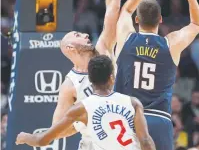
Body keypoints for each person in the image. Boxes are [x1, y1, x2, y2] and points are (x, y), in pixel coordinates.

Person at [114, 0, 199, 150]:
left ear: (137, 19)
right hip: (159, 120)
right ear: (161, 19)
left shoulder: (125, 39)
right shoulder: (170, 43)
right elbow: (197, 24)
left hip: (126, 118)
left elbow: (125, 10)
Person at [51, 0, 126, 149]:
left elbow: (113, 7)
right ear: (69, 48)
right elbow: (56, 129)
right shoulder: (69, 85)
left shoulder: (103, 49)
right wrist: (82, 121)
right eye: (77, 35)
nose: (85, 36)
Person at [16, 55, 156, 150]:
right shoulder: (133, 103)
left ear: (90, 79)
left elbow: (43, 140)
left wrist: (25, 137)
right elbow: (145, 141)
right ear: (112, 78)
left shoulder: (81, 108)